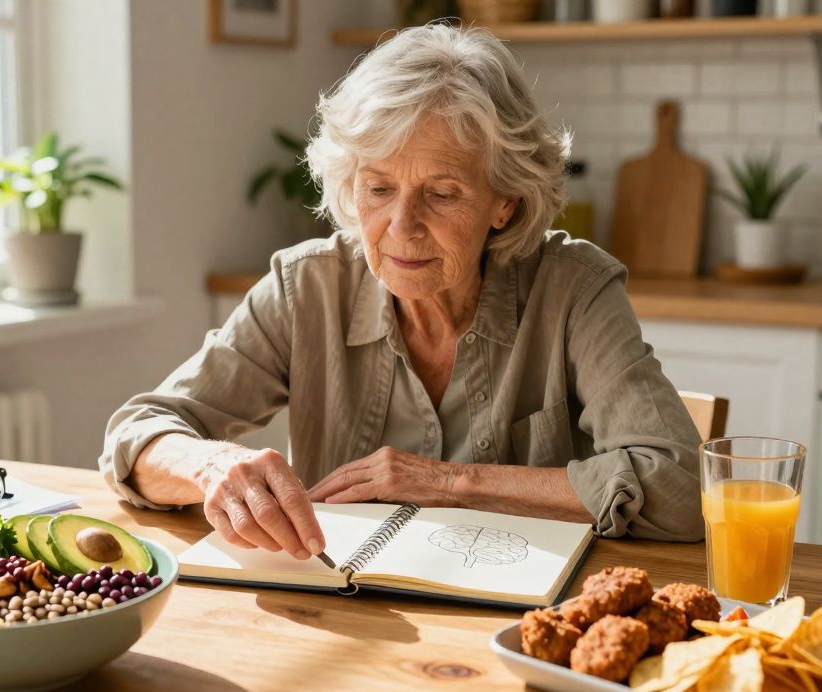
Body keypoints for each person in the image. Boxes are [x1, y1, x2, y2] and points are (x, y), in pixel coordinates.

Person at [100, 24, 703, 561]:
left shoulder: (574, 289)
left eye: (442, 193)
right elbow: (139, 432)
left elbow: (679, 487)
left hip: (523, 630)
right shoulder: (304, 287)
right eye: (378, 188)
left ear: (505, 202)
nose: (402, 227)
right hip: (339, 620)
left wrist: (446, 483)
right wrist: (212, 466)